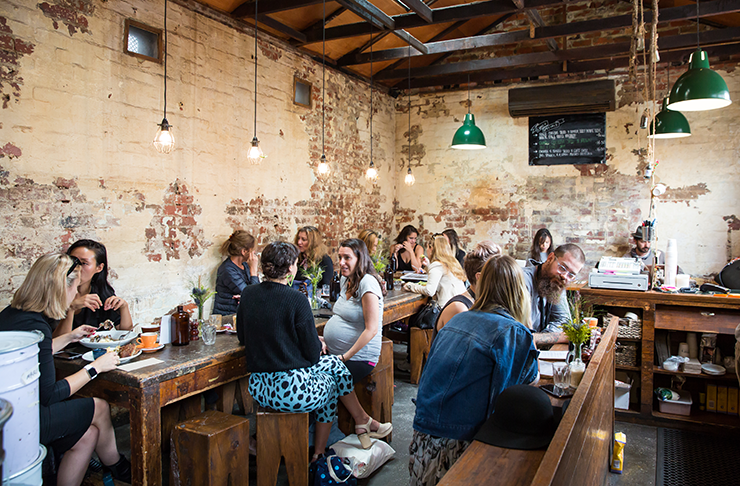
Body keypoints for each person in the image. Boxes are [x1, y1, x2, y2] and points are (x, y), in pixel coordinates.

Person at [409, 255, 540, 485]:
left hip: (421, 441)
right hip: (458, 444)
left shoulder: (459, 319)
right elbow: (522, 387)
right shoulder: (513, 332)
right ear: (520, 290)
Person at [0, 253, 130, 485]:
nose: (76, 293)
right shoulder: (36, 326)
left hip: (8, 409)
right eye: (76, 287)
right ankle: (118, 466)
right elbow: (49, 394)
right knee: (99, 407)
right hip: (21, 420)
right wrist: (95, 368)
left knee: (87, 435)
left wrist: (69, 337)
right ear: (62, 288)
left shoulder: (14, 315)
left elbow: (35, 352)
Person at [236, 241, 354, 459]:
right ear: (291, 268)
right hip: (292, 392)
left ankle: (358, 422)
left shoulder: (248, 294)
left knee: (334, 364)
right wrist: (315, 342)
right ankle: (319, 451)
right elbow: (311, 356)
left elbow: (243, 337)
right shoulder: (297, 300)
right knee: (332, 384)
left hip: (259, 388)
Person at [323, 238, 393, 448]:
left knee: (326, 379)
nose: (342, 262)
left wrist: (344, 357)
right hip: (338, 352)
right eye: (340, 257)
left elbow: (371, 329)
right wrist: (325, 339)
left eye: (347, 258)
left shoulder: (368, 283)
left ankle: (349, 426)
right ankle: (359, 424)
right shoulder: (347, 279)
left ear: (360, 259)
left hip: (360, 357)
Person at [53, 239, 132, 338]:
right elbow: (54, 344)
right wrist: (71, 308)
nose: (75, 267)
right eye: (73, 261)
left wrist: (124, 307)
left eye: (83, 263)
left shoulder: (100, 291)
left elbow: (125, 333)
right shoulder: (54, 293)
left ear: (99, 268)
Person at [523, 244, 586, 347]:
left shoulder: (556, 284)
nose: (564, 276)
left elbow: (564, 321)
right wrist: (559, 337)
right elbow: (519, 335)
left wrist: (540, 338)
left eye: (571, 275)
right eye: (562, 268)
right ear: (550, 258)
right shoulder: (522, 280)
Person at [435, 241, 501, 334]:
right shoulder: (459, 309)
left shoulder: (481, 303)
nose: (501, 279)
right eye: (497, 274)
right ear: (479, 277)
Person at [403, 234, 466, 308]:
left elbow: (429, 291)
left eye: (427, 248)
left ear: (431, 249)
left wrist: (410, 286)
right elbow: (442, 274)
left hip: (448, 307)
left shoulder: (437, 265)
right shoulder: (452, 262)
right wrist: (429, 265)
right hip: (461, 303)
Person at [213, 230, 260, 315]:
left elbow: (257, 291)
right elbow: (252, 295)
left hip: (240, 315)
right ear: (244, 251)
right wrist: (253, 270)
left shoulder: (245, 265)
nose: (254, 253)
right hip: (227, 318)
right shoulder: (227, 270)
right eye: (252, 250)